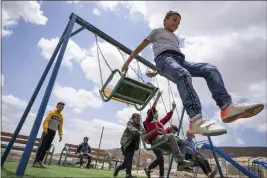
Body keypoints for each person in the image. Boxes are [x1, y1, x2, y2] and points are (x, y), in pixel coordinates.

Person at [121, 10, 264, 137]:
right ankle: (196, 119)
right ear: (165, 20)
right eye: (174, 20)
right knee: (183, 75)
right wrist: (128, 62)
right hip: (164, 59)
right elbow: (142, 47)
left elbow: (173, 66)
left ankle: (226, 107)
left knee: (210, 68)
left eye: (178, 23)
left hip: (180, 60)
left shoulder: (175, 38)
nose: (176, 24)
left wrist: (157, 72)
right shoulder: (156, 32)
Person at [143, 91, 193, 175]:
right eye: (157, 113)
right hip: (156, 140)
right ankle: (180, 159)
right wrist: (158, 97)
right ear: (153, 114)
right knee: (170, 136)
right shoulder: (149, 121)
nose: (158, 114)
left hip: (162, 140)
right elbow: (152, 109)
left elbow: (167, 117)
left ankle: (180, 163)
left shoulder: (160, 123)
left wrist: (173, 109)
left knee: (183, 142)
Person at [33, 102, 65, 168]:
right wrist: (45, 129)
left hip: (53, 132)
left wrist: (60, 134)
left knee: (47, 147)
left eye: (62, 107)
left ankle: (40, 161)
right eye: (60, 106)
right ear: (57, 106)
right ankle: (36, 162)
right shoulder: (52, 112)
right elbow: (46, 120)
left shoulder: (61, 116)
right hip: (47, 131)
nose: (61, 108)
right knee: (42, 146)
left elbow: (60, 126)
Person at [113, 113, 142, 178]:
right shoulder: (130, 123)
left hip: (132, 146)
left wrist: (147, 133)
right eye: (137, 118)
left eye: (139, 118)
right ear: (133, 119)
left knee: (126, 163)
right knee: (129, 160)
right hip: (126, 145)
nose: (138, 120)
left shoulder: (139, 126)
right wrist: (139, 132)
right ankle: (128, 174)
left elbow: (144, 130)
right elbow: (132, 129)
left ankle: (117, 168)